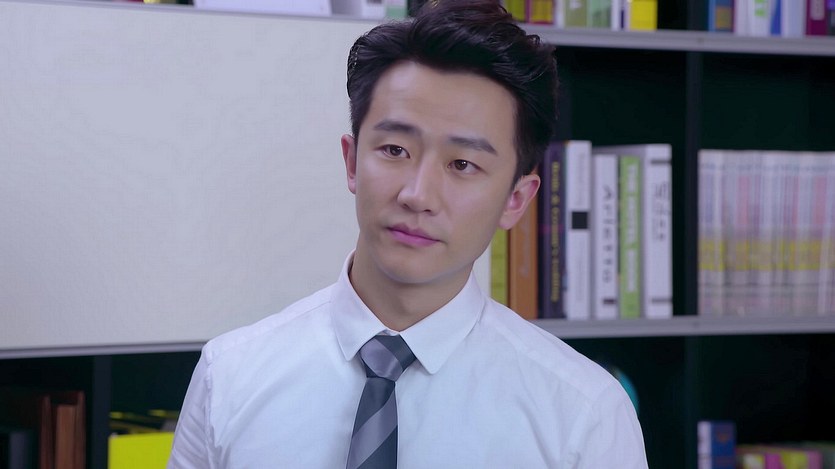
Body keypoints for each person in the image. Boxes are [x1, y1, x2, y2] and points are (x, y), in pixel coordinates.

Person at [168, 1, 648, 467]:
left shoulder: (583, 415)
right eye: (395, 150)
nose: (418, 195)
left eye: (463, 164)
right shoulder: (229, 376)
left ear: (515, 200)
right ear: (352, 162)